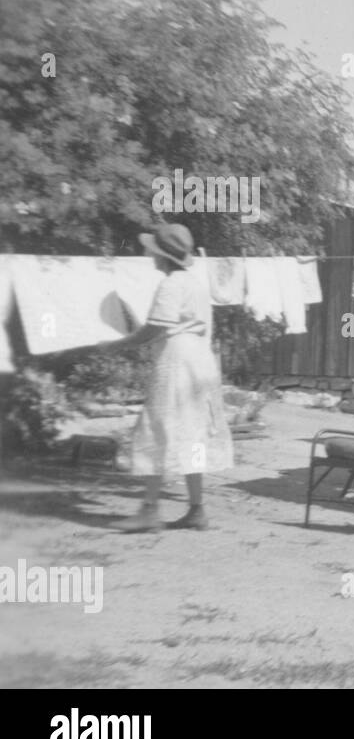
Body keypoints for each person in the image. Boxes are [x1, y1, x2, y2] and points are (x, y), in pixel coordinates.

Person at [99, 224, 233, 532]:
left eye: (152, 251)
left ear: (162, 256)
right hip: (199, 360)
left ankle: (149, 510)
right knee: (192, 431)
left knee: (158, 427)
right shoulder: (195, 283)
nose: (149, 255)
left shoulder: (171, 284)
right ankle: (197, 509)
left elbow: (154, 328)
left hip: (177, 362)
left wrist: (117, 344)